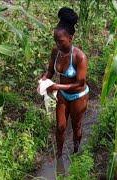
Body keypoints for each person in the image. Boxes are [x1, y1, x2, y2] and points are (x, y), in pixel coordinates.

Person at [41, 7, 89, 158]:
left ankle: (75, 151)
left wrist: (56, 86)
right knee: (60, 127)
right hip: (62, 94)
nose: (58, 44)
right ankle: (59, 155)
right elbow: (50, 71)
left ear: (70, 38)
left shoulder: (80, 57)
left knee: (76, 126)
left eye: (60, 41)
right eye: (55, 40)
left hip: (78, 96)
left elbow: (80, 83)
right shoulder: (56, 51)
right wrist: (44, 79)